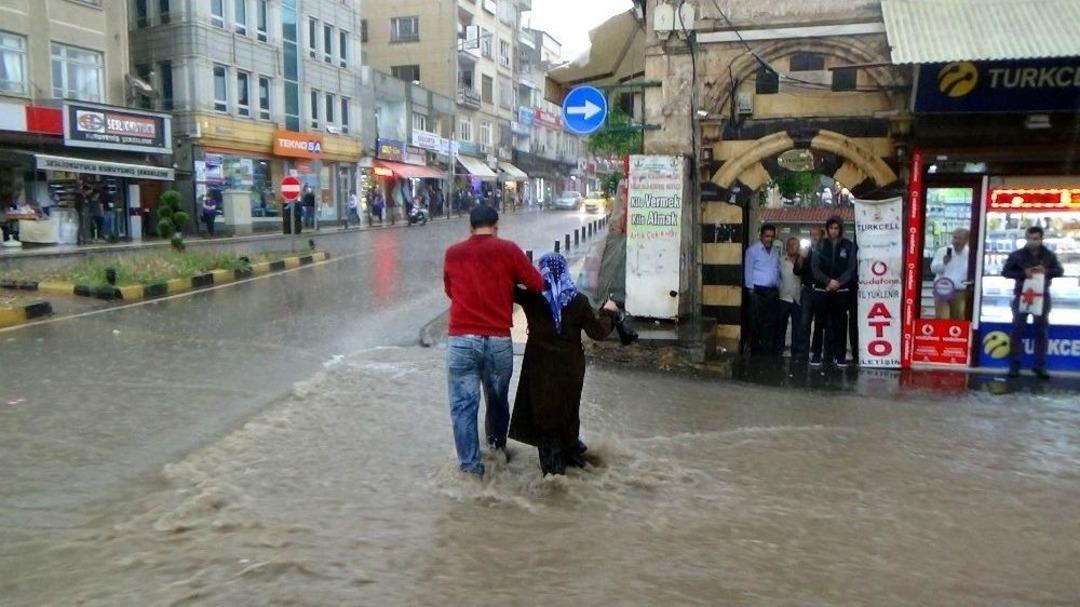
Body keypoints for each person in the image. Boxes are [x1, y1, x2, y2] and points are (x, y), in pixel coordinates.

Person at [443, 205, 545, 477]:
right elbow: (536, 284)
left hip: (461, 340)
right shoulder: (509, 250)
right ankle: (497, 454)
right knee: (497, 402)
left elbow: (450, 291)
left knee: (464, 407)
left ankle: (470, 470)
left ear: (470, 227)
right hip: (498, 339)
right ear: (496, 226)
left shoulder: (453, 253)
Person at [509, 253, 619, 475]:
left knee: (543, 414)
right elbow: (597, 332)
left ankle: (552, 473)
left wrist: (526, 274)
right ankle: (570, 459)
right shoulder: (578, 301)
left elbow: (508, 283)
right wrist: (609, 312)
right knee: (567, 411)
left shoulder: (533, 297)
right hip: (570, 368)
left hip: (539, 367)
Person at [1003, 226, 1064, 380]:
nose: (1032, 242)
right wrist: (1024, 274)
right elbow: (1005, 272)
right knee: (1017, 330)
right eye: (1029, 239)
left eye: (1036, 239)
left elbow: (1059, 271)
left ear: (1041, 239)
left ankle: (1040, 366)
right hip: (1021, 294)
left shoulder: (1049, 255)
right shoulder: (1017, 255)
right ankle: (1014, 366)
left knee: (1041, 331)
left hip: (1042, 295)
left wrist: (1046, 271)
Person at [811, 216, 857, 368]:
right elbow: (815, 267)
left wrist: (838, 282)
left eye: (836, 228)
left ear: (840, 229)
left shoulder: (848, 245)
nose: (834, 231)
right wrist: (827, 281)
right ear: (827, 229)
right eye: (831, 228)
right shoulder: (820, 245)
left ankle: (840, 355)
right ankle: (817, 355)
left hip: (841, 291)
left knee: (841, 324)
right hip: (822, 290)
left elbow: (851, 268)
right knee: (819, 324)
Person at [744, 223, 781, 356]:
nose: (769, 239)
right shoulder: (752, 251)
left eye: (772, 237)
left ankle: (767, 350)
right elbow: (748, 271)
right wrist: (750, 290)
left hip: (772, 291)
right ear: (761, 236)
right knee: (755, 322)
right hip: (757, 292)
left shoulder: (776, 252)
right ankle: (755, 350)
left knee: (770, 322)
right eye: (767, 236)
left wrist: (778, 285)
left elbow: (776, 270)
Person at [793, 228, 824, 362]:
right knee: (804, 322)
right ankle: (802, 354)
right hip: (807, 291)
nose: (814, 237)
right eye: (812, 235)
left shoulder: (826, 251)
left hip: (821, 291)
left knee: (820, 324)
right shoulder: (806, 251)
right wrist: (801, 257)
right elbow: (797, 271)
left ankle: (817, 353)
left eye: (817, 235)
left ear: (822, 236)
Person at [930, 228, 971, 320]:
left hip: (959, 291)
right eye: (955, 238)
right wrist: (944, 263)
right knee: (942, 319)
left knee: (957, 319)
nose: (956, 241)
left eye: (960, 238)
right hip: (942, 290)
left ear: (966, 240)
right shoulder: (943, 251)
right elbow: (933, 269)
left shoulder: (970, 253)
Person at [776, 237, 804, 356]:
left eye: (795, 245)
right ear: (786, 247)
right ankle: (778, 352)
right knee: (780, 328)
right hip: (783, 298)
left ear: (799, 247)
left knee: (798, 329)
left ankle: (796, 353)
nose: (793, 247)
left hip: (798, 299)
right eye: (790, 245)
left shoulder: (803, 262)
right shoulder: (780, 261)